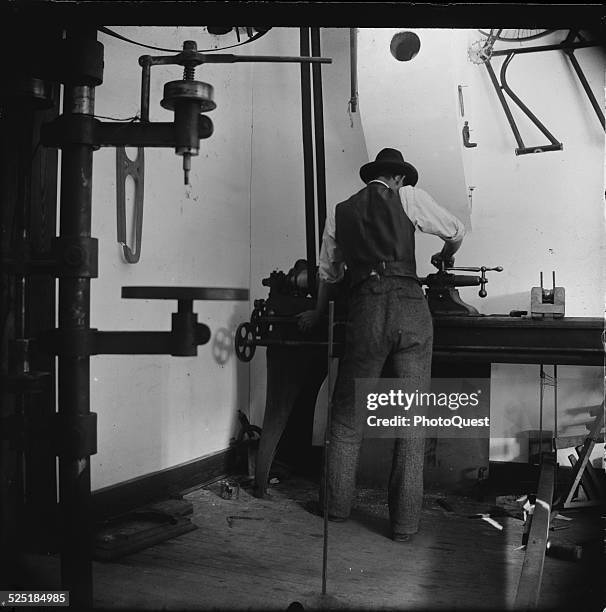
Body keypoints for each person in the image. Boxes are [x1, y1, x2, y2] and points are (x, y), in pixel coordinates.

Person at [297, 148, 465, 542]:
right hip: (411, 307)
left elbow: (327, 272)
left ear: (374, 177)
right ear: (399, 178)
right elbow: (455, 230)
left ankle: (335, 509)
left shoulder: (341, 210)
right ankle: (404, 526)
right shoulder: (408, 198)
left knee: (346, 417)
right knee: (410, 423)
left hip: (367, 308)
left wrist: (319, 314)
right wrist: (445, 253)